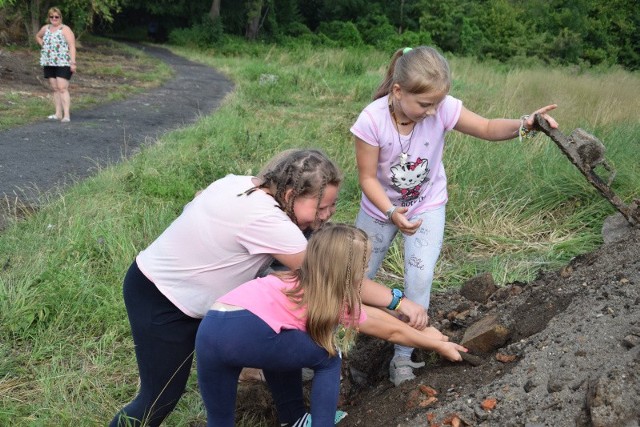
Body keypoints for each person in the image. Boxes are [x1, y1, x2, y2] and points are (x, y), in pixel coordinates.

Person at [110, 149, 429, 427]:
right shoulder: (269, 223)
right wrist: (398, 302)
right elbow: (335, 280)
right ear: (290, 195)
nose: (327, 216)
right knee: (159, 398)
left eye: (331, 207)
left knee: (284, 320)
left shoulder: (240, 183)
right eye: (320, 208)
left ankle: (294, 418)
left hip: (173, 288)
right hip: (163, 300)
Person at [351, 46, 559, 386]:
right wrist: (390, 211)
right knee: (355, 278)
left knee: (420, 278)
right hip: (378, 210)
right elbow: (367, 178)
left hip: (426, 205)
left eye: (437, 103)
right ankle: (334, 344)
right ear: (398, 91)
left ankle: (403, 357)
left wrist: (527, 123)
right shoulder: (371, 120)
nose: (433, 111)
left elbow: (489, 127)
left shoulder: (442, 108)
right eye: (424, 105)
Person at [196, 223, 466, 427]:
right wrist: (437, 345)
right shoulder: (327, 297)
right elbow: (388, 330)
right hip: (251, 332)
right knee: (327, 357)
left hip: (211, 329)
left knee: (220, 420)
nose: (366, 269)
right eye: (364, 264)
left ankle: (295, 419)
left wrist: (428, 335)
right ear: (348, 271)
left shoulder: (288, 280)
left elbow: (381, 319)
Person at [35, 7, 76, 123]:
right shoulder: (46, 28)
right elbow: (37, 36)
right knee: (55, 88)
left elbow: (72, 46)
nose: (54, 19)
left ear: (60, 17)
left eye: (56, 17)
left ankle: (66, 115)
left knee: (62, 88)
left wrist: (73, 63)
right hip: (49, 62)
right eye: (51, 17)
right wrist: (44, 44)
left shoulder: (65, 29)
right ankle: (58, 113)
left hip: (63, 62)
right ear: (49, 18)